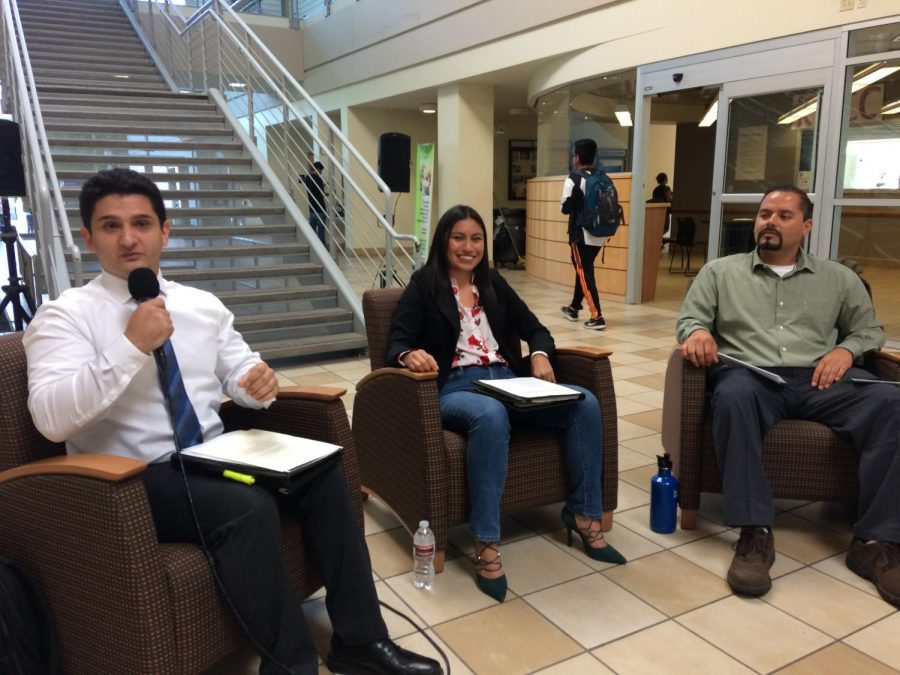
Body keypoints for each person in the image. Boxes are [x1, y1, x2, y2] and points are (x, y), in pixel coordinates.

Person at [23, 169, 441, 675]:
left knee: (326, 470)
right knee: (246, 508)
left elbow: (240, 370)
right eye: (111, 226)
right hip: (131, 478)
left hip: (213, 454)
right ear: (88, 237)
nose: (129, 238)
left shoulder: (201, 306)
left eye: (141, 223)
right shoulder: (64, 316)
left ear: (165, 230)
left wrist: (253, 385)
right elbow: (50, 419)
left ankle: (361, 641)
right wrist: (129, 345)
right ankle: (291, 664)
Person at [386, 204, 626, 603]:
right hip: (458, 389)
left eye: (476, 238)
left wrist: (539, 354)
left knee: (584, 402)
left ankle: (584, 514)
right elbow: (397, 340)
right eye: (458, 238)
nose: (468, 247)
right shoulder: (424, 286)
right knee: (491, 416)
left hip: (509, 381)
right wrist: (408, 355)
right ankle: (486, 542)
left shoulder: (493, 283)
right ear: (444, 241)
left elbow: (536, 328)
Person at [676, 185, 900, 607]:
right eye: (764, 214)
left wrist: (844, 350)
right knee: (732, 397)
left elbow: (869, 331)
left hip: (821, 380)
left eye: (783, 215)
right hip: (752, 376)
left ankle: (875, 541)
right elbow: (690, 319)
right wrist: (699, 332)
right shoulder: (721, 273)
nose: (769, 222)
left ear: (807, 226)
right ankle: (754, 533)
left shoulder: (839, 279)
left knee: (890, 405)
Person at [560, 138, 607, 330]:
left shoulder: (574, 178)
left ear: (577, 157)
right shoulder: (603, 177)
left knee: (585, 272)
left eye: (574, 155)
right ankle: (573, 307)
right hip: (600, 232)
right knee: (583, 269)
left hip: (580, 234)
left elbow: (565, 209)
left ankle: (597, 317)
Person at [300, 159, 327, 244]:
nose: (321, 172)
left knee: (312, 231)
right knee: (321, 232)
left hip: (312, 209)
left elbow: (300, 179)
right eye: (321, 170)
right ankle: (322, 249)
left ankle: (313, 248)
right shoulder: (319, 179)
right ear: (318, 169)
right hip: (320, 209)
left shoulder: (308, 178)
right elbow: (321, 194)